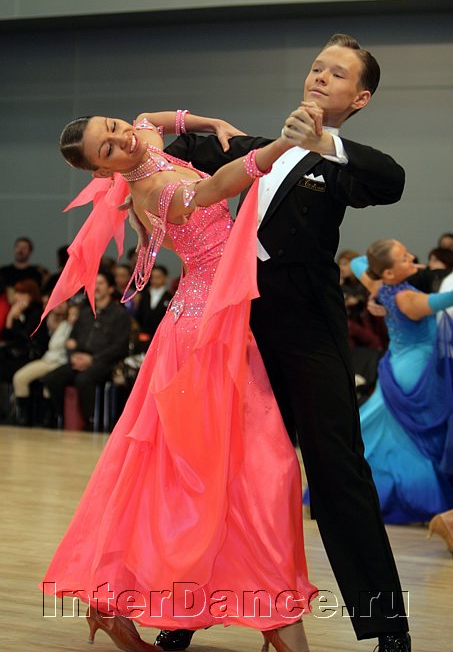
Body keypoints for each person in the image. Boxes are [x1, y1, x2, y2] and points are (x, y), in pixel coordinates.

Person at [163, 34, 411, 652]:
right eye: (317, 67)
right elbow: (157, 147)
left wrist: (324, 143)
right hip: (235, 331)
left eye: (338, 74)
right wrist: (191, 133)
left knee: (336, 471)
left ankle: (386, 624)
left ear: (360, 98)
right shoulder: (250, 149)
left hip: (306, 333)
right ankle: (184, 611)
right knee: (217, 471)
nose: (321, 77)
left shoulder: (340, 164)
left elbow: (392, 180)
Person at [39, 108, 318, 652]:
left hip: (218, 313)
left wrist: (208, 124)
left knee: (222, 469)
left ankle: (133, 601)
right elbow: (216, 187)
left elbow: (150, 118)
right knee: (240, 468)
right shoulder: (153, 193)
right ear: (103, 172)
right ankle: (269, 612)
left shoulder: (141, 138)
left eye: (113, 126)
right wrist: (279, 147)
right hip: (203, 331)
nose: (122, 137)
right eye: (108, 148)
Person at [350, 243, 453, 524]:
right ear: (389, 271)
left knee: (383, 433)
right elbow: (445, 300)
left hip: (397, 363)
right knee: (412, 440)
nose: (412, 258)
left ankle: (359, 492)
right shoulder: (407, 298)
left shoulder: (381, 285)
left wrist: (374, 288)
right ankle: (413, 498)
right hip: (415, 372)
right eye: (404, 258)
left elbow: (359, 262)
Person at [42, 270, 131, 430]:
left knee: (84, 379)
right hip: (79, 358)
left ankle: (89, 421)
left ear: (111, 289)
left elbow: (120, 347)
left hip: (105, 362)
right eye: (94, 283)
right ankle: (63, 418)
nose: (96, 287)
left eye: (101, 283)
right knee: (51, 378)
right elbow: (71, 340)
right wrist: (73, 356)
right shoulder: (85, 313)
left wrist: (92, 360)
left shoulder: (119, 315)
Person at [11, 302, 79, 425]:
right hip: (48, 359)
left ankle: (48, 419)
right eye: (71, 314)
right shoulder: (55, 322)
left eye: (75, 314)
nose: (72, 317)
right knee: (20, 377)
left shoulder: (78, 328)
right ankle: (23, 418)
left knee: (49, 381)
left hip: (63, 362)